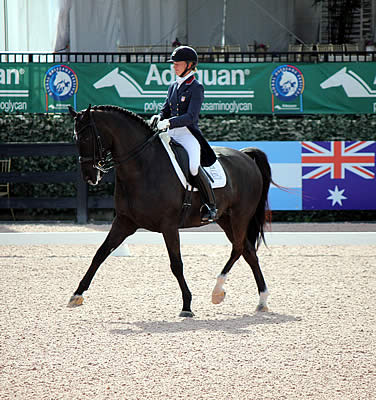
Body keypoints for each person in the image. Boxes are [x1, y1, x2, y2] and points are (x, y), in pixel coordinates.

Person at [150, 45, 217, 222]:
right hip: (169, 133)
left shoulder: (196, 87)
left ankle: (210, 205)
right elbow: (166, 109)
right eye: (174, 64)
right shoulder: (173, 86)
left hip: (187, 134)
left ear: (189, 65)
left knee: (194, 166)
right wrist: (159, 116)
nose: (174, 66)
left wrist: (169, 122)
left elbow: (191, 116)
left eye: (177, 64)